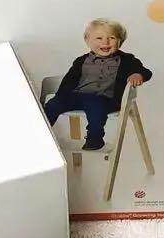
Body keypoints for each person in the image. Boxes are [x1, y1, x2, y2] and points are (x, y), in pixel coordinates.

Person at [43, 19, 152, 150]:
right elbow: (69, 79)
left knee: (95, 106)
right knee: (53, 104)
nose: (105, 42)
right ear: (88, 41)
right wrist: (61, 96)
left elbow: (146, 72)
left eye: (112, 38)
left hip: (106, 99)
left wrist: (138, 75)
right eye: (99, 38)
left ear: (120, 41)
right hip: (78, 96)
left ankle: (95, 137)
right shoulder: (81, 60)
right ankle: (40, 133)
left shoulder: (127, 60)